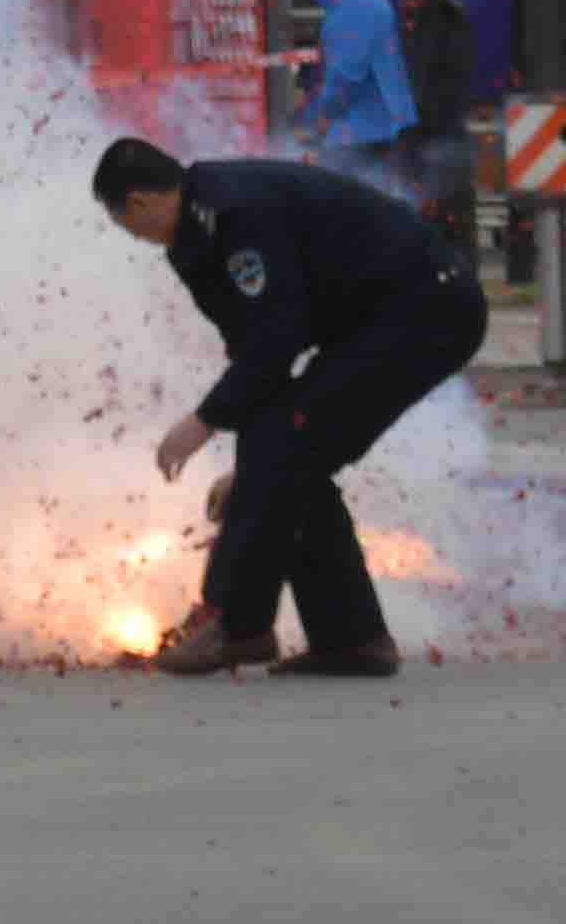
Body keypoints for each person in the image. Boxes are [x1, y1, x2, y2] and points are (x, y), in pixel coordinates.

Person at [97, 132, 490, 679]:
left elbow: (277, 340)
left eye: (123, 224)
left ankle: (236, 624)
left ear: (137, 203)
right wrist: (253, 466)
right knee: (283, 451)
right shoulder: (192, 243)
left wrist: (202, 422)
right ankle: (350, 640)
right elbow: (258, 363)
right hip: (372, 322)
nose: (132, 237)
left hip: (427, 308)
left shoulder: (236, 217)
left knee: (288, 445)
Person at [296, 0, 415, 199]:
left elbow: (347, 73)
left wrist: (324, 114)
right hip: (363, 127)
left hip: (359, 131)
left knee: (347, 214)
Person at [395, 0, 487, 271]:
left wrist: (416, 117)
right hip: (410, 145)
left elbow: (452, 86)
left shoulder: (451, 20)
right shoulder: (401, 19)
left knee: (452, 232)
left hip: (442, 144)